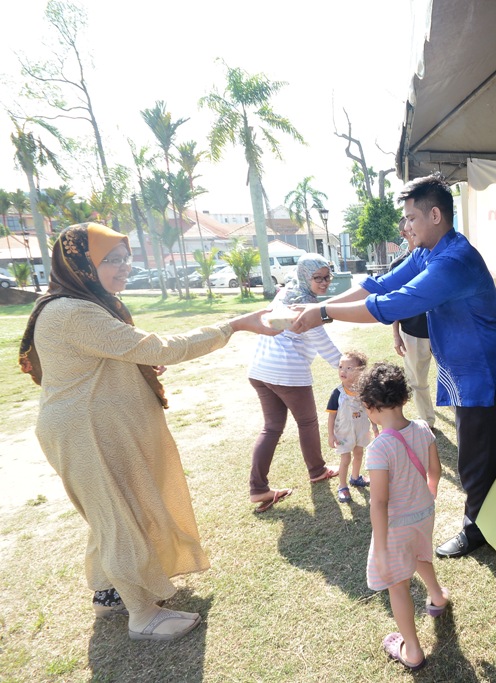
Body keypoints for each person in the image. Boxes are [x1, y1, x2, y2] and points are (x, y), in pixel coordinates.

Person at [18, 223, 277, 642]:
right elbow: (163, 348)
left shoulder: (84, 303)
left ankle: (109, 593)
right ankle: (141, 614)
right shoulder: (73, 311)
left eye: (126, 257)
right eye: (110, 260)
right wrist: (235, 325)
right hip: (87, 432)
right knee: (119, 517)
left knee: (111, 513)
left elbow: (109, 356)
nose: (124, 266)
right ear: (81, 263)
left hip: (92, 427)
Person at [290, 173, 496, 559]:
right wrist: (319, 307)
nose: (406, 226)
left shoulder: (454, 261)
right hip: (470, 374)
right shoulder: (425, 253)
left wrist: (324, 313)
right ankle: (494, 518)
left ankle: (477, 530)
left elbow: (393, 305)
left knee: (476, 460)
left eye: (411, 218)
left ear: (435, 215)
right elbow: (379, 286)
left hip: (488, 377)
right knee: (484, 455)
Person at [360, 362, 447, 671]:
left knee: (398, 585)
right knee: (421, 555)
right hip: (424, 514)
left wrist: (381, 548)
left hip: (396, 526)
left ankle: (412, 651)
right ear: (405, 398)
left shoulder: (379, 448)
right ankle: (437, 596)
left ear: (369, 407)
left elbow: (379, 502)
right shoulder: (423, 428)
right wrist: (429, 494)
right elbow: (435, 471)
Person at [247, 253, 342, 512]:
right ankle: (317, 470)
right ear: (305, 276)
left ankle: (258, 488)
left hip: (260, 369)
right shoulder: (303, 305)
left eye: (327, 277)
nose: (324, 282)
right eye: (318, 278)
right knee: (307, 422)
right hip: (286, 372)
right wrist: (351, 370)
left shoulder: (286, 292)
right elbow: (325, 346)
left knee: (272, 428)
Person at [389, 218, 436, 429]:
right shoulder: (397, 266)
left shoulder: (434, 259)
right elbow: (393, 303)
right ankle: (427, 421)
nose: (415, 230)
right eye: (410, 227)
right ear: (404, 233)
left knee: (451, 377)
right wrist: (396, 335)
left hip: (441, 330)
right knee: (417, 381)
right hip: (412, 331)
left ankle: (460, 415)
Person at [326, 349, 378, 503]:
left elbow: (369, 409)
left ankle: (355, 477)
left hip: (361, 429)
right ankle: (342, 486)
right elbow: (331, 415)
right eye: (341, 367)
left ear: (360, 371)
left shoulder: (364, 391)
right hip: (344, 432)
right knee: (345, 458)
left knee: (359, 453)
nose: (343, 371)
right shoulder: (337, 393)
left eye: (349, 368)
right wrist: (331, 434)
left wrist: (374, 426)